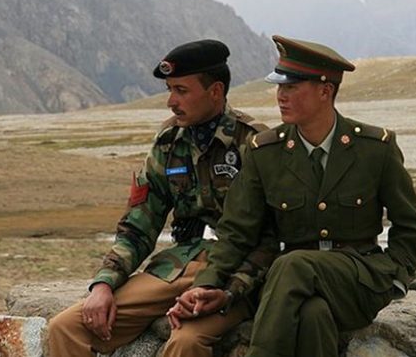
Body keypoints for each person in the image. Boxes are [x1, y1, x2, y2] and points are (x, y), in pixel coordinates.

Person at [186, 35, 416, 357]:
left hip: (357, 280)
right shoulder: (265, 152)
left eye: (291, 88)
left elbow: (408, 222)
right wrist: (208, 282)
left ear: (325, 91)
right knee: (313, 315)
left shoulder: (375, 148)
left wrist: (397, 275)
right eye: (279, 87)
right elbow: (236, 232)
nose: (280, 97)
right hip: (288, 287)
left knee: (293, 264)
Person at [47, 39, 275, 357]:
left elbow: (272, 237)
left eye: (181, 90)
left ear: (215, 91)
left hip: (233, 276)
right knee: (66, 327)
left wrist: (231, 289)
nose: (171, 101)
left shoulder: (254, 143)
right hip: (176, 266)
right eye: (170, 89)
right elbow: (139, 224)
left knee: (185, 342)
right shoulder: (168, 143)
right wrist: (104, 283)